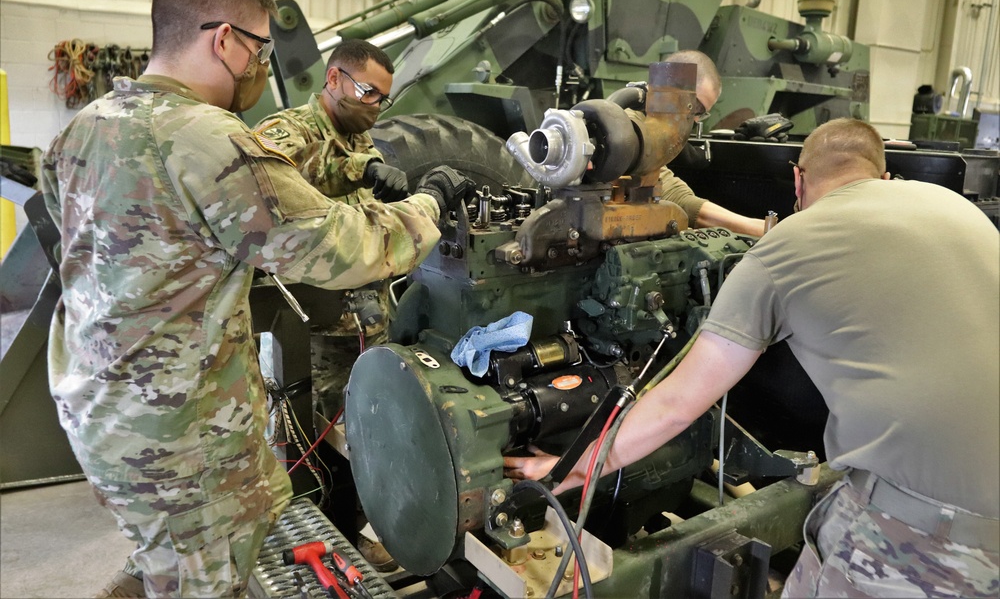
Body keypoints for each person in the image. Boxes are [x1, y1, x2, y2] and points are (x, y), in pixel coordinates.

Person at [40, 0, 469, 598]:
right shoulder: (208, 139)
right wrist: (430, 201)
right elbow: (346, 248)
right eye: (260, 50)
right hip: (180, 438)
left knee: (164, 553)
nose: (263, 66)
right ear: (223, 41)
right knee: (206, 576)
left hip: (101, 416)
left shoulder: (82, 129)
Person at [505, 118, 999, 598]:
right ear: (884, 175)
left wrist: (569, 469)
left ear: (798, 180)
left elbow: (677, 405)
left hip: (930, 531)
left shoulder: (787, 249)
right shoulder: (957, 207)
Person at [252, 40, 407, 571]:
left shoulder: (361, 135)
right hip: (314, 335)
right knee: (312, 447)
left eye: (384, 99)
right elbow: (273, 182)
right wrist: (361, 169)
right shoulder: (286, 132)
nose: (374, 106)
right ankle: (315, 538)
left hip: (366, 324)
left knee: (370, 436)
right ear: (335, 79)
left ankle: (358, 532)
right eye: (368, 92)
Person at [658, 50, 767, 237]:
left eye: (702, 113)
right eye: (696, 107)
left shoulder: (655, 140)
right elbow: (676, 198)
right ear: (668, 88)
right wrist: (761, 229)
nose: (695, 120)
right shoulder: (623, 129)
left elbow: (673, 191)